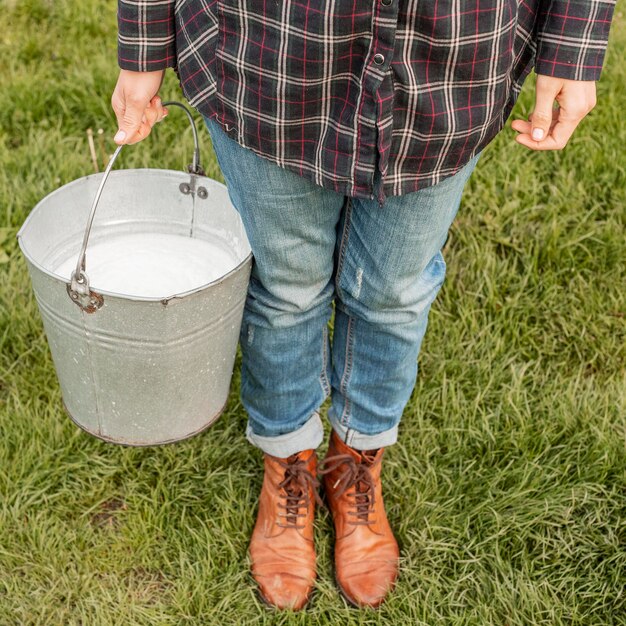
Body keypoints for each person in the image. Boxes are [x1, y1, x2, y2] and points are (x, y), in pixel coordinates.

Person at [111, 0, 615, 610]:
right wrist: (142, 46)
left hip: (453, 67)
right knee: (286, 289)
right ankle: (289, 463)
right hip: (272, 59)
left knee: (394, 293)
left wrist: (574, 44)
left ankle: (357, 460)